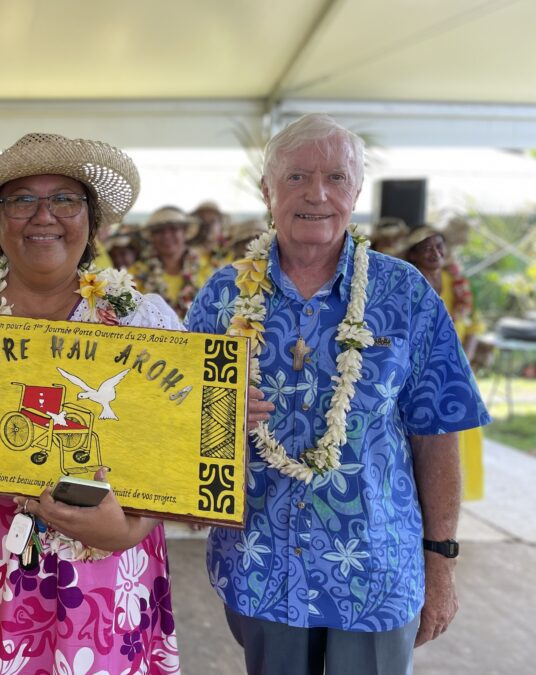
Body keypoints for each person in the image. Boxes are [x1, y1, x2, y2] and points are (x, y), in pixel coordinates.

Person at [0, 132, 270, 674]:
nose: (43, 215)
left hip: (103, 569)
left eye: (65, 200)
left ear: (91, 222)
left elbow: (168, 459)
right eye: (21, 200)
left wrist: (136, 522)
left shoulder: (142, 317)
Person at [186, 113, 489, 675]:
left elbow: (438, 431)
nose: (317, 194)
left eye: (336, 178)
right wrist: (214, 418)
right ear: (267, 190)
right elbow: (180, 412)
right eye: (297, 177)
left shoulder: (405, 293)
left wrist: (441, 563)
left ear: (356, 191)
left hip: (375, 568)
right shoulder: (223, 295)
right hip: (261, 562)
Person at [401, 223, 485, 501]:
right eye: (426, 248)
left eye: (439, 246)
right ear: (413, 254)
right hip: (415, 372)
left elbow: (474, 324)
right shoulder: (406, 283)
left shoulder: (455, 283)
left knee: (454, 434)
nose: (434, 253)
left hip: (453, 370)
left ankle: (449, 500)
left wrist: (465, 358)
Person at [134, 206, 207, 320]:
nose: (167, 236)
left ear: (184, 232)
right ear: (151, 236)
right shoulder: (137, 272)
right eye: (159, 231)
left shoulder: (205, 269)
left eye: (173, 229)